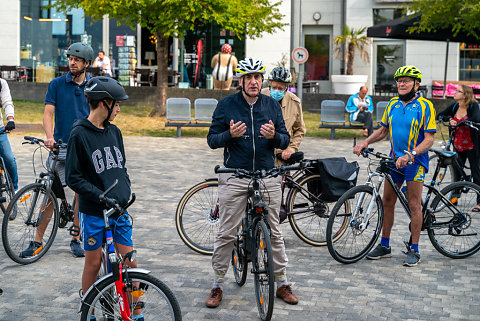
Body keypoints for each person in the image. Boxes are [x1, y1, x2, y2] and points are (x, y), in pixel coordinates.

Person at [206, 57, 298, 308]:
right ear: (241, 81)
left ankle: (282, 283)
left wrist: (274, 137)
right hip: (235, 174)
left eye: (258, 77)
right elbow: (212, 139)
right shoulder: (227, 105)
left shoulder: (271, 105)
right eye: (249, 77)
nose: (254, 82)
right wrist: (229, 135)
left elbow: (285, 139)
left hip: (267, 174)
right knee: (227, 233)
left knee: (275, 233)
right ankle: (217, 284)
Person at [65, 77, 142, 321]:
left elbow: (121, 166)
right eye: (116, 104)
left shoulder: (115, 132)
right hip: (94, 212)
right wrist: (100, 196)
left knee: (131, 262)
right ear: (104, 103)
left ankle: (136, 313)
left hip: (119, 211)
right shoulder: (79, 134)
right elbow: (73, 178)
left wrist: (125, 190)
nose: (119, 109)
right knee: (93, 263)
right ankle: (89, 311)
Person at [353, 66, 436, 267]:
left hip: (414, 162)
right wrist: (366, 143)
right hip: (394, 161)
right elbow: (383, 131)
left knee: (414, 204)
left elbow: (429, 139)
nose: (401, 83)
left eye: (406, 80)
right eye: (399, 81)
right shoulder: (392, 105)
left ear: (416, 84)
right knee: (387, 201)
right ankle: (385, 245)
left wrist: (411, 154)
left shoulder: (425, 106)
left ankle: (414, 249)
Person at [20, 42, 94, 258]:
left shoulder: (93, 87)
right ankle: (37, 241)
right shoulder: (56, 84)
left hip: (82, 148)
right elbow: (48, 113)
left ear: (86, 64)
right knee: (50, 193)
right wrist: (49, 137)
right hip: (60, 146)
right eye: (70, 58)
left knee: (81, 194)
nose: (72, 62)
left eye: (77, 59)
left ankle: (76, 237)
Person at [437, 85, 480, 211]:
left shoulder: (473, 106)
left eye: (458, 91)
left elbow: (476, 118)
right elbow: (440, 115)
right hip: (458, 145)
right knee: (457, 171)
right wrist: (450, 119)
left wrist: (464, 122)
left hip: (472, 145)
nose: (454, 93)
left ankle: (479, 202)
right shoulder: (455, 106)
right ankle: (454, 198)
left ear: (465, 95)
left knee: (476, 173)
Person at [261, 67, 306, 165]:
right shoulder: (260, 96)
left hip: (281, 156)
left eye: (280, 88)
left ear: (286, 87)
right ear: (269, 85)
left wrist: (292, 148)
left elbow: (300, 130)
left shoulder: (295, 102)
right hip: (261, 156)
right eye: (274, 87)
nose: (277, 91)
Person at [0, 78, 18, 190]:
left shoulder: (1, 83)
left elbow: (7, 102)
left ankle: (14, 189)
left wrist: (10, 119)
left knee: (9, 159)